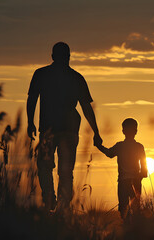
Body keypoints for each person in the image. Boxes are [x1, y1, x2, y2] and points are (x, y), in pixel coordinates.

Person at [27, 42, 102, 210]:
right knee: (65, 170)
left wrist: (30, 122)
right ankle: (60, 205)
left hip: (50, 129)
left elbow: (32, 99)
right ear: (68, 57)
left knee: (46, 167)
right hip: (66, 130)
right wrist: (96, 132)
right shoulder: (76, 77)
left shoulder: (42, 74)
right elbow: (86, 108)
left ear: (53, 56)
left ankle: (51, 199)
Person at [96, 118, 147, 219]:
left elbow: (109, 153)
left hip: (123, 182)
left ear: (123, 131)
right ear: (136, 131)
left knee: (123, 208)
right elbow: (144, 169)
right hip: (135, 181)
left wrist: (99, 146)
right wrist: (139, 178)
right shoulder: (139, 147)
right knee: (136, 207)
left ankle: (126, 228)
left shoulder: (120, 146)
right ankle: (135, 228)